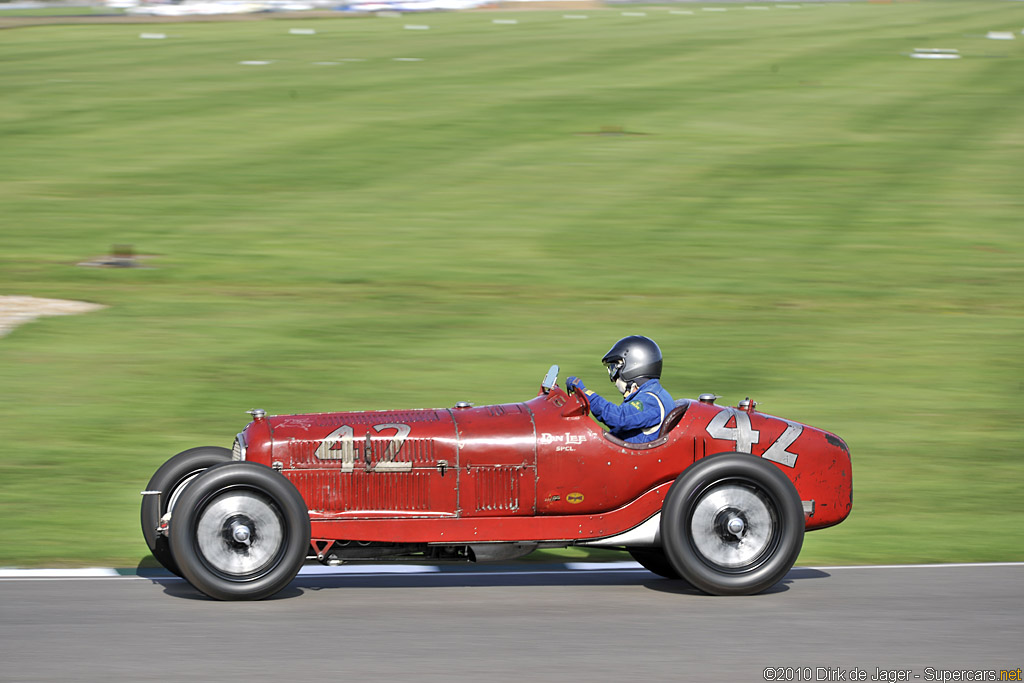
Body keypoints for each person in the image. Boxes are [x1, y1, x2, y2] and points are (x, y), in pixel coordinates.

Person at [567, 335, 674, 444]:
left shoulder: (650, 400)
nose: (614, 377)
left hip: (634, 459)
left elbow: (618, 418)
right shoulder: (651, 394)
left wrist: (585, 393)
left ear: (633, 366)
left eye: (615, 368)